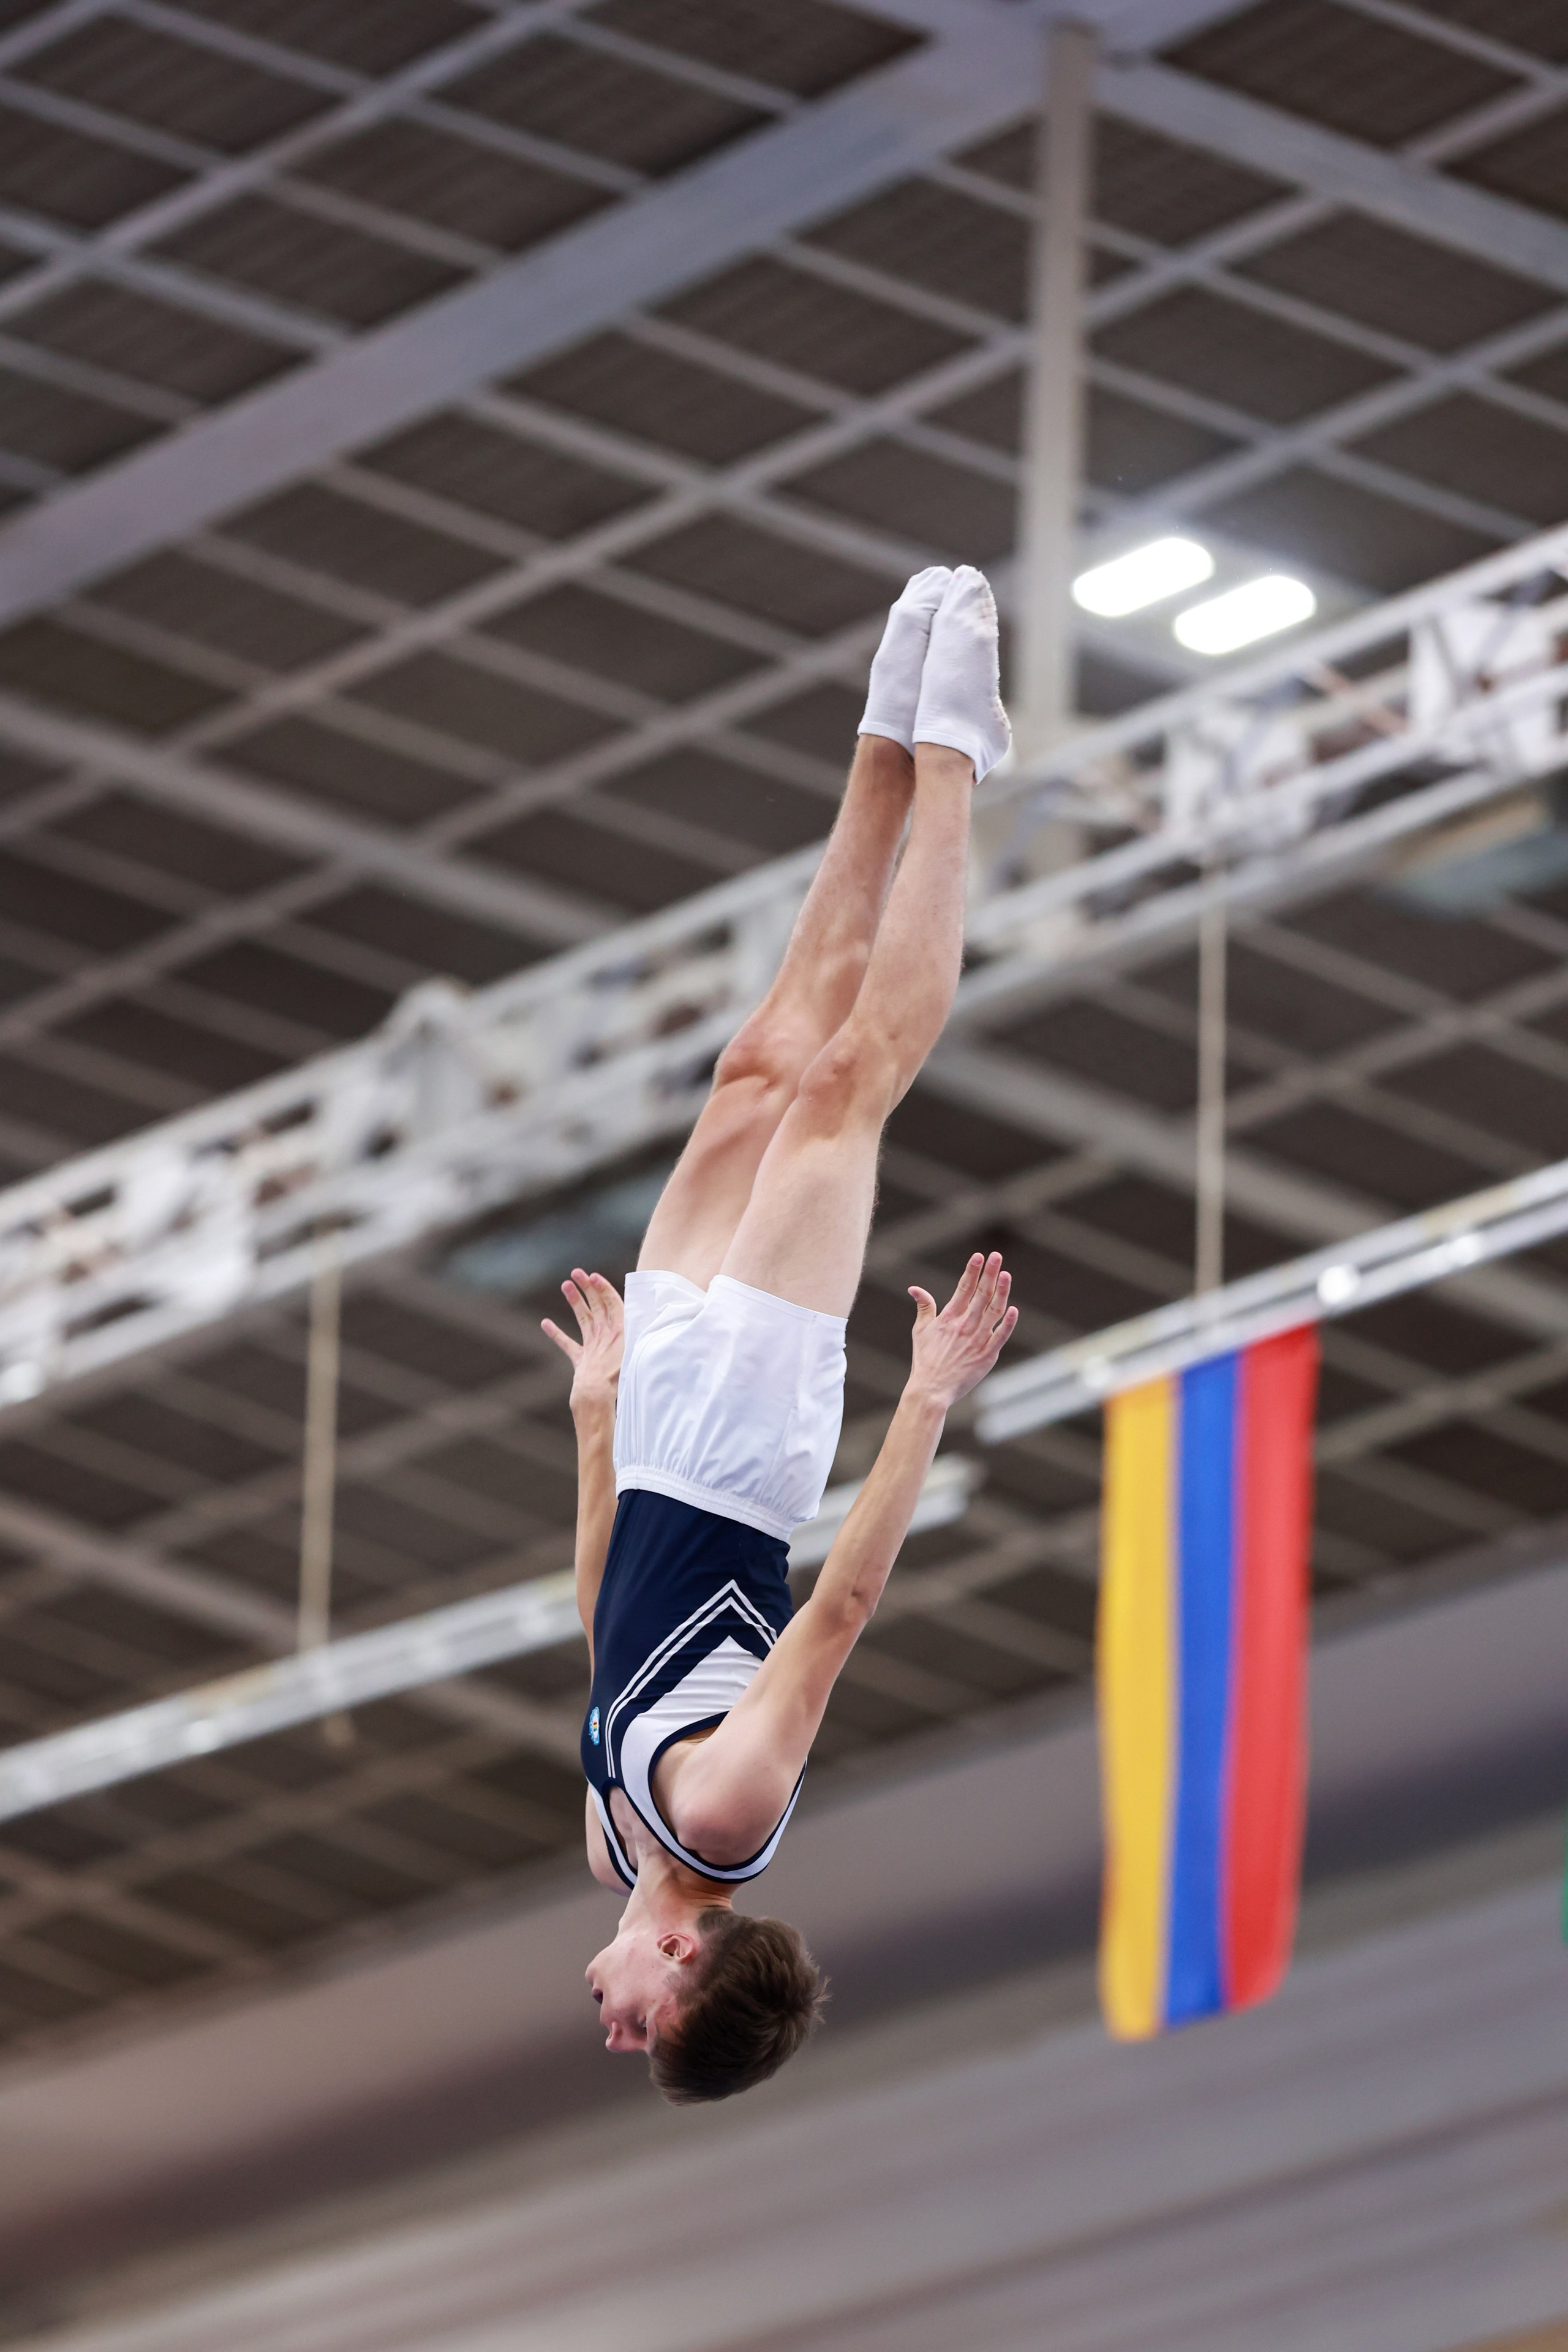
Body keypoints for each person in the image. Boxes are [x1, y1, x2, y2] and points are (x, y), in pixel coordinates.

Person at [543, 566, 1017, 2103]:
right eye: (643, 2032)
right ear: (687, 1970)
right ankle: (955, 763)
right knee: (843, 1090)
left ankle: (882, 742)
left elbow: (604, 1611)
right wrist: (925, 1400)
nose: (610, 2025)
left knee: (757, 1068)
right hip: (749, 1446)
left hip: (662, 1430)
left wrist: (596, 1420)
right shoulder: (726, 1821)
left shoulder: (615, 1837)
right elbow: (841, 1610)